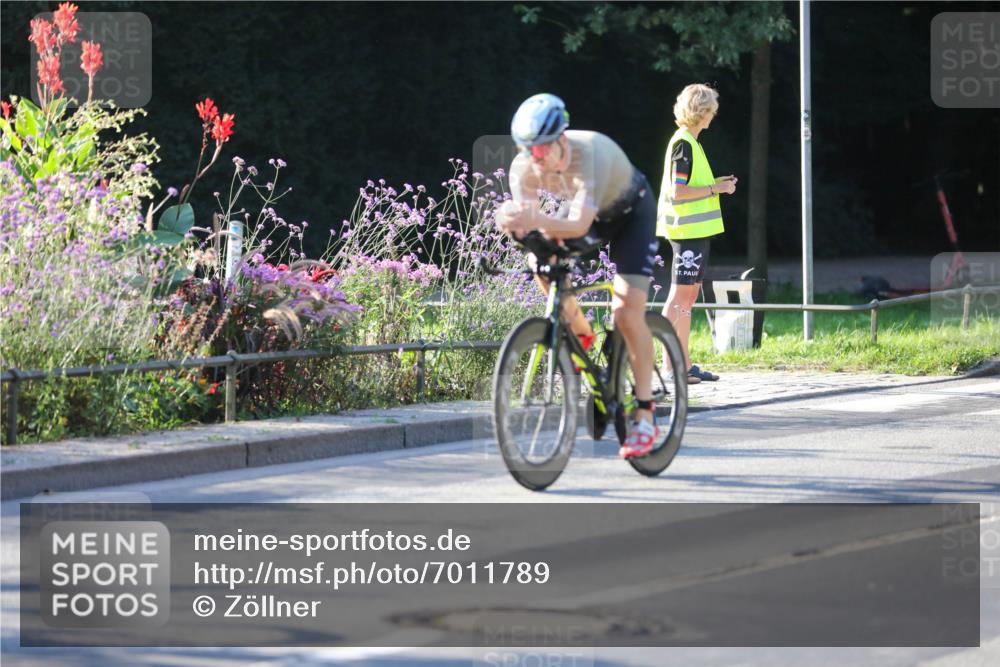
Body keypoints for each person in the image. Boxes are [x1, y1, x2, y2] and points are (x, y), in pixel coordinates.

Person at [495, 93, 662, 459]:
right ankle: (582, 336)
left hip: (631, 213)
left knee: (626, 314)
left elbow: (577, 224)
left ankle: (647, 415)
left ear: (561, 138)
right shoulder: (524, 167)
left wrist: (532, 219)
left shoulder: (590, 155)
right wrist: (510, 222)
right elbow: (530, 227)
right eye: (527, 150)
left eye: (541, 149)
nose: (535, 158)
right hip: (592, 219)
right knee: (539, 260)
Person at [657, 83, 736, 384]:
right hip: (687, 233)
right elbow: (679, 192)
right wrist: (716, 188)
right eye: (712, 111)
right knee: (680, 297)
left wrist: (717, 183)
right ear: (702, 112)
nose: (713, 116)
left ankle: (683, 364)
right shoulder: (684, 144)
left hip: (695, 233)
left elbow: (690, 186)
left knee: (687, 299)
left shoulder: (691, 143)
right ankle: (670, 366)